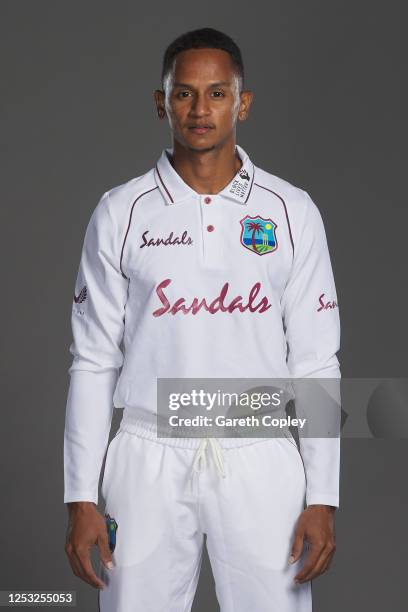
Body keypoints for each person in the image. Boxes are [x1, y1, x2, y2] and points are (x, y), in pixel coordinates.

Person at [64, 27, 341, 612]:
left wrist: (323, 493)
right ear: (161, 102)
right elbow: (92, 360)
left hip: (260, 451)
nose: (200, 109)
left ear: (242, 103)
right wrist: (80, 496)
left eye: (218, 94)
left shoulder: (290, 212)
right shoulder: (122, 212)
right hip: (147, 452)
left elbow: (316, 359)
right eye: (185, 94)